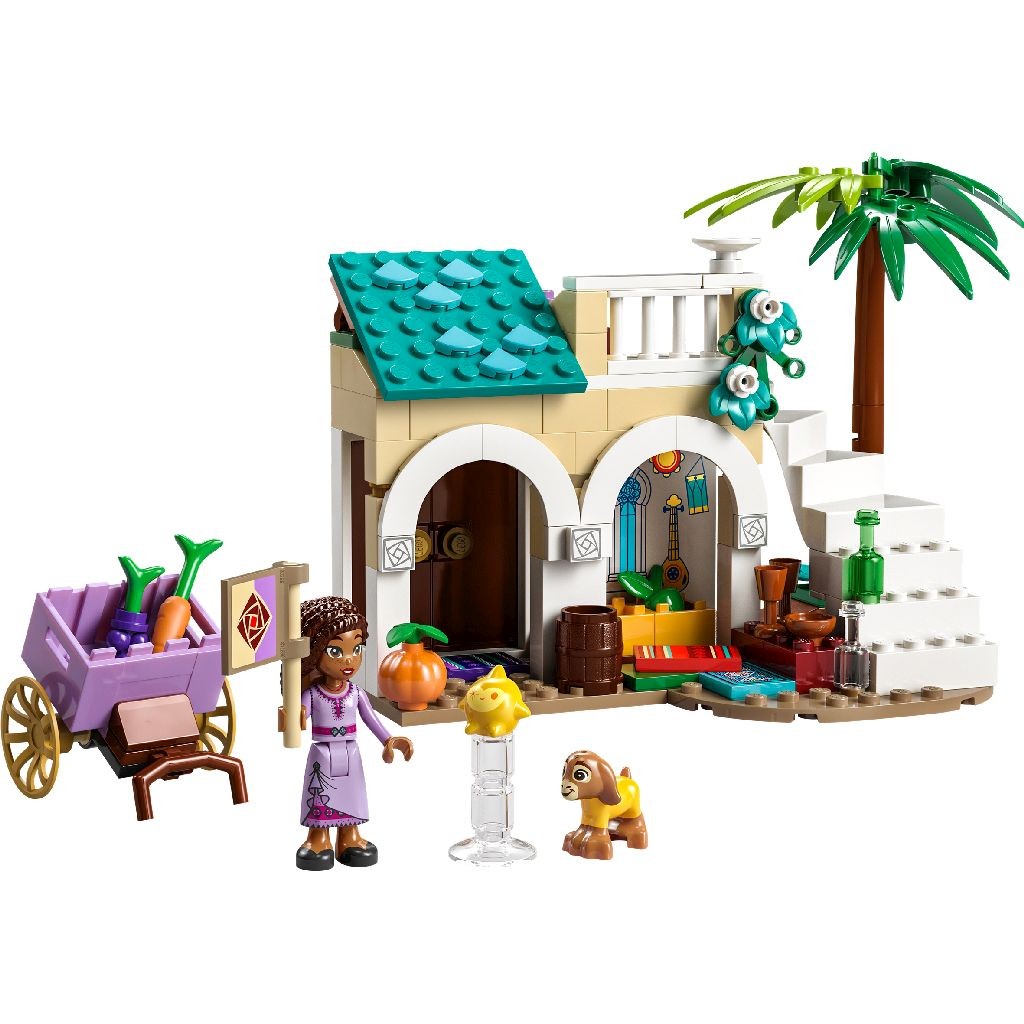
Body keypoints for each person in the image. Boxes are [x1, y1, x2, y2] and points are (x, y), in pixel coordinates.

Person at [281, 595, 413, 870]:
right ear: (314, 652)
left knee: (352, 794)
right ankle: (318, 839)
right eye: (335, 651)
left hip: (351, 751)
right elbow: (298, 717)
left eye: (357, 648)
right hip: (323, 753)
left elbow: (371, 718)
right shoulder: (313, 694)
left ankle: (349, 837)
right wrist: (292, 716)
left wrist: (389, 739)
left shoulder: (355, 693)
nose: (349, 659)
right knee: (320, 793)